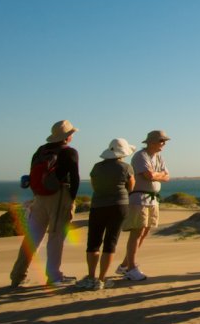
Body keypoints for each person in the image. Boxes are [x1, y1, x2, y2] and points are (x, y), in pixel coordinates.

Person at [10, 120, 81, 287]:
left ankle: (18, 276)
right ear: (67, 137)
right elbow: (75, 178)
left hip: (39, 197)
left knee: (32, 238)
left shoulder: (41, 151)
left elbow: (32, 175)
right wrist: (71, 200)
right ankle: (54, 276)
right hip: (60, 195)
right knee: (56, 237)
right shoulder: (69, 152)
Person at [78, 138, 135, 290]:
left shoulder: (97, 167)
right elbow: (131, 187)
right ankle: (101, 279)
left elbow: (94, 186)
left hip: (98, 206)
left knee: (93, 242)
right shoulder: (126, 167)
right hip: (119, 206)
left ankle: (91, 276)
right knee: (110, 242)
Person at [117, 130, 171, 281]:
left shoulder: (158, 156)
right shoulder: (141, 156)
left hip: (152, 199)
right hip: (139, 198)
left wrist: (157, 175)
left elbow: (167, 176)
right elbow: (149, 175)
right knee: (137, 232)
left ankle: (125, 265)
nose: (164, 144)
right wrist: (157, 175)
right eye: (161, 141)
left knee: (144, 232)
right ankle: (131, 268)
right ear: (151, 142)